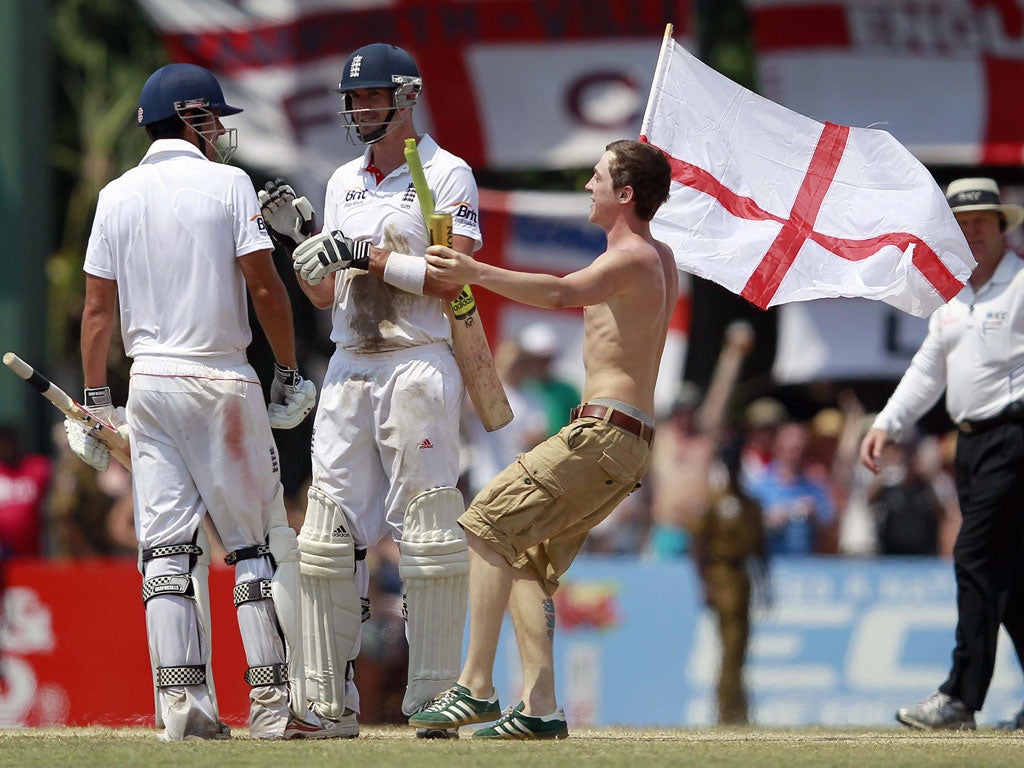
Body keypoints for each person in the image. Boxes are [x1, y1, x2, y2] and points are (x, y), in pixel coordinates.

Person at [63, 62, 323, 741]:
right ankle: (270, 709)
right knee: (251, 548)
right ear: (190, 117)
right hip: (220, 379)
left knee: (166, 552)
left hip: (148, 385)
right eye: (212, 117)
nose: (220, 130)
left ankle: (182, 710)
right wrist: (288, 371)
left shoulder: (117, 194)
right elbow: (266, 289)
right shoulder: (227, 183)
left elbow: (97, 310)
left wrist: (97, 402)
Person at [406, 138, 676, 739]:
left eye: (599, 177)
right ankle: (541, 707)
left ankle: (474, 686)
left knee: (483, 522)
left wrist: (473, 271)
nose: (587, 186)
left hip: (605, 433)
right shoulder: (656, 253)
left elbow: (558, 294)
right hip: (623, 440)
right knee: (523, 554)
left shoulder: (633, 256)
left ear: (625, 194)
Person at [261, 42, 482, 739]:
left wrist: (366, 253)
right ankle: (327, 706)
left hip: (418, 362)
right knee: (325, 535)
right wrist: (305, 249)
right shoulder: (341, 182)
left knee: (428, 531)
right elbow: (327, 294)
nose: (359, 110)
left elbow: (453, 279)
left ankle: (436, 700)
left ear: (406, 99)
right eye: (353, 99)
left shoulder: (446, 174)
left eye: (371, 98)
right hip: (351, 363)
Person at [860, 177, 1024, 730]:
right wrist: (888, 422)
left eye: (982, 220)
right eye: (962, 223)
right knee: (1011, 576)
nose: (972, 231)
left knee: (974, 557)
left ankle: (960, 696)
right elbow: (927, 370)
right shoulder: (953, 300)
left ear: (1002, 226)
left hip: (1016, 437)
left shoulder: (1023, 283)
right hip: (974, 445)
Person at [517, 322, 582, 438]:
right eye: (535, 358)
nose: (540, 364)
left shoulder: (567, 391)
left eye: (546, 359)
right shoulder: (517, 386)